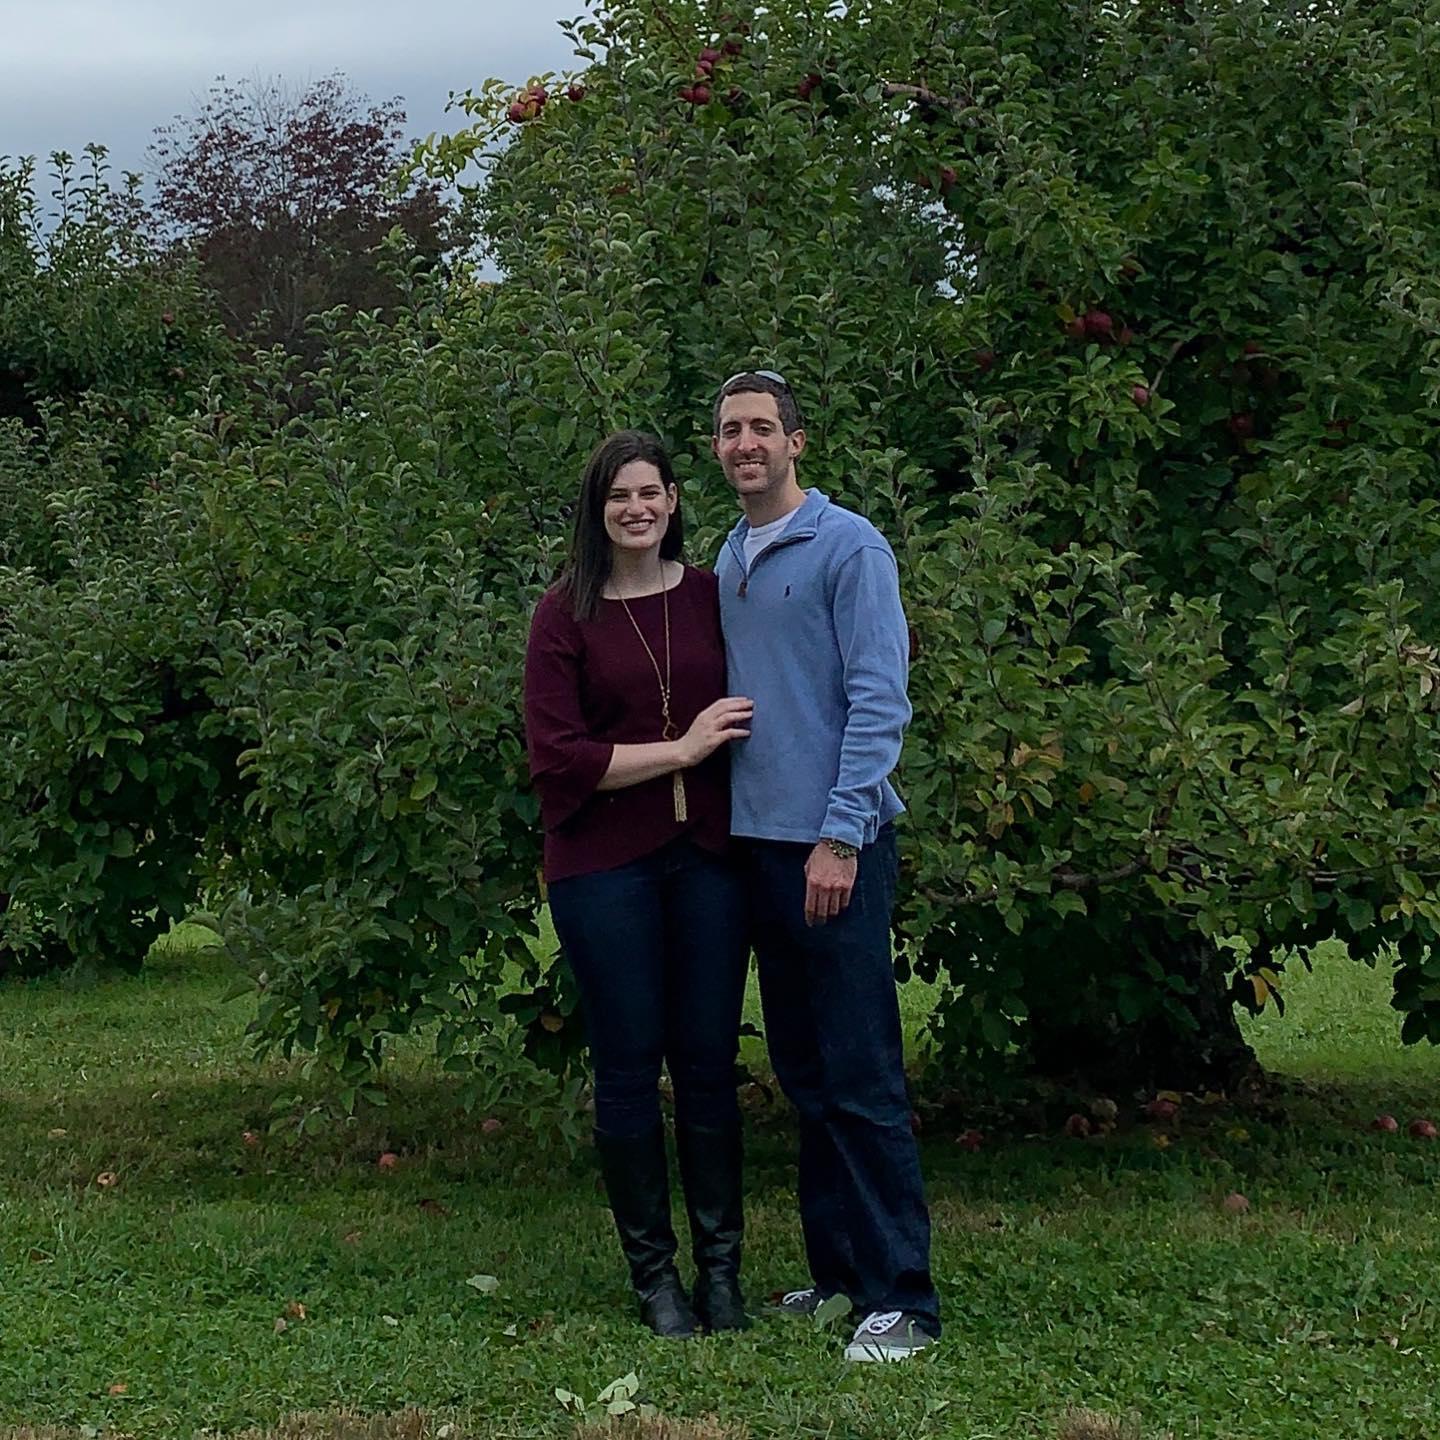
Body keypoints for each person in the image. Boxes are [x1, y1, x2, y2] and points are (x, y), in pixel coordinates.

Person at [710, 370, 941, 1362]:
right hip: (758, 850)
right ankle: (839, 1275)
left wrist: (843, 836)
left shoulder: (850, 547)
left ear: (797, 443)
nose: (746, 443)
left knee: (862, 1074)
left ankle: (906, 1299)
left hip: (834, 851)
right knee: (805, 1076)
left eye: (763, 427)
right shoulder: (728, 556)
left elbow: (880, 698)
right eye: (730, 431)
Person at [522, 430, 755, 1339]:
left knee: (706, 1068)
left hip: (707, 861)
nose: (638, 509)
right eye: (620, 496)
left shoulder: (709, 596)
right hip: (603, 866)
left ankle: (722, 1274)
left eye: (652, 492)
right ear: (598, 509)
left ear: (673, 501)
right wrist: (683, 751)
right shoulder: (563, 614)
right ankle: (656, 1280)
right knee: (627, 1070)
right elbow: (559, 760)